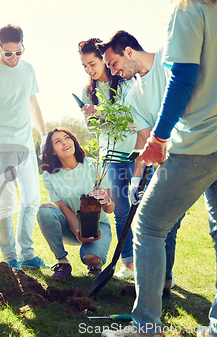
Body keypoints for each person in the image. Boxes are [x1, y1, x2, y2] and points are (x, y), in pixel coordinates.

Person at [101, 0, 217, 336]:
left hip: (203, 139)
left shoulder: (188, 10)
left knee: (149, 227)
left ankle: (145, 327)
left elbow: (182, 77)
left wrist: (159, 136)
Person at [97, 31, 185, 296]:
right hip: (169, 163)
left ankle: (157, 284)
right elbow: (145, 140)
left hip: (198, 148)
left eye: (113, 63)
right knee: (160, 222)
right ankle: (160, 283)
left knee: (166, 221)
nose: (112, 71)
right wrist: (137, 180)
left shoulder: (168, 60)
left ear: (129, 52)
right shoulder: (135, 95)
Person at [0, 24, 48, 271]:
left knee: (32, 199)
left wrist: (45, 135)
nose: (14, 58)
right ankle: (10, 258)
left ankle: (26, 253)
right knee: (6, 203)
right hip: (1, 145)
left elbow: (34, 105)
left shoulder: (28, 70)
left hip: (26, 144)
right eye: (8, 53)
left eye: (18, 52)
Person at [78, 38, 137, 281]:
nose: (89, 69)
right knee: (121, 212)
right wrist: (91, 117)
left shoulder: (126, 82)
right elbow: (95, 130)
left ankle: (160, 268)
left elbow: (131, 121)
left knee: (145, 212)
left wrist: (101, 114)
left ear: (104, 59)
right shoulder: (88, 91)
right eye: (84, 66)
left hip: (136, 153)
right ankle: (130, 265)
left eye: (92, 63)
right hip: (111, 157)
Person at [37, 128, 114, 280]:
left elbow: (109, 210)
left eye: (67, 138)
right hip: (70, 227)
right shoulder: (49, 176)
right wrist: (79, 232)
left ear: (74, 141)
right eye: (57, 141)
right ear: (52, 151)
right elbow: (65, 210)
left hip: (98, 226)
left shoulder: (95, 165)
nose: (64, 142)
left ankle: (93, 265)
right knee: (44, 211)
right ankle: (62, 262)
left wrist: (108, 200)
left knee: (92, 258)